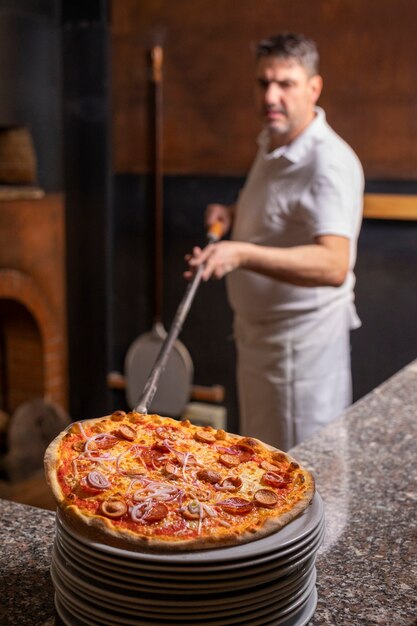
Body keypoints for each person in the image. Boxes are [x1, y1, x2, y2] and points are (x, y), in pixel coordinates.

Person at [186, 32, 364, 450]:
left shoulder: (328, 162)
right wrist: (232, 214)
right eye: (263, 83)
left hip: (300, 353)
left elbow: (334, 265)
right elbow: (281, 211)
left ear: (313, 87)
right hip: (260, 342)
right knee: (264, 473)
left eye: (285, 83)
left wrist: (241, 252)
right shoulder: (274, 140)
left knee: (306, 477)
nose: (271, 96)